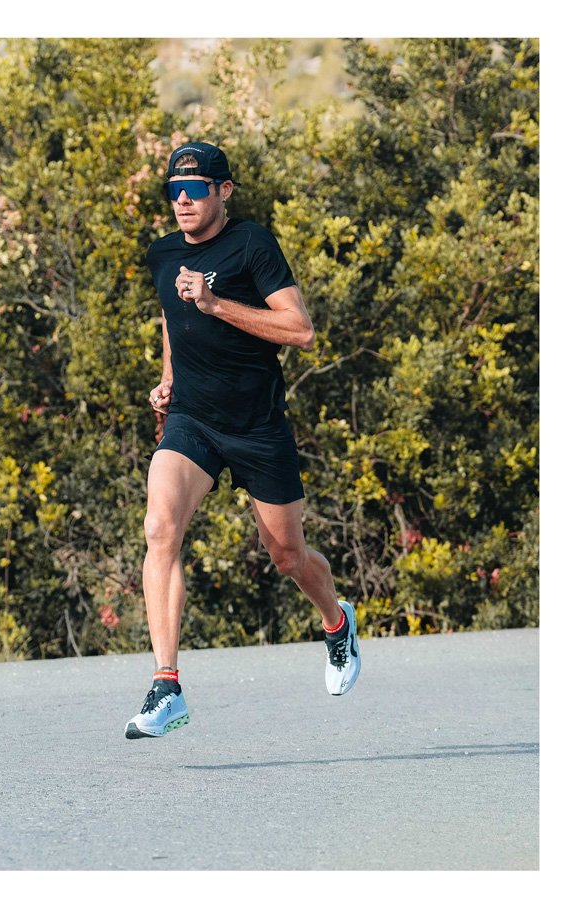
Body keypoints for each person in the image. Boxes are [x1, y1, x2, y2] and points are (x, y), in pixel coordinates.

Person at [124, 141, 360, 739]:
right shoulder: (162, 253)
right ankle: (167, 686)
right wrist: (169, 379)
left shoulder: (252, 244)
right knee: (160, 528)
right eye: (174, 191)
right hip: (193, 422)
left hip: (257, 426)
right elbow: (171, 318)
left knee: (287, 556)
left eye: (194, 189)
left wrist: (215, 303)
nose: (182, 201)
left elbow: (300, 330)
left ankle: (336, 622)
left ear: (223, 191)